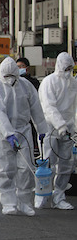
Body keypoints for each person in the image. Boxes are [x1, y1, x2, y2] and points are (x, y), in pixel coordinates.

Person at [0, 57, 48, 216]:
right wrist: (8, 133)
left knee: (26, 168)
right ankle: (8, 202)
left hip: (23, 131)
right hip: (3, 134)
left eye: (12, 75)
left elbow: (36, 107)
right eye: (6, 76)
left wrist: (41, 128)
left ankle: (24, 202)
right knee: (4, 169)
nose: (9, 79)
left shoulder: (26, 86)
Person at [37, 52, 77, 210]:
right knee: (48, 162)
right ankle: (42, 194)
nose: (68, 71)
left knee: (67, 163)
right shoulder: (49, 82)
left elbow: (74, 107)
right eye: (66, 68)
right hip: (51, 128)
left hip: (68, 129)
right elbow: (48, 107)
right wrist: (60, 125)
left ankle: (59, 196)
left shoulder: (73, 83)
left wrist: (71, 127)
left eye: (70, 68)